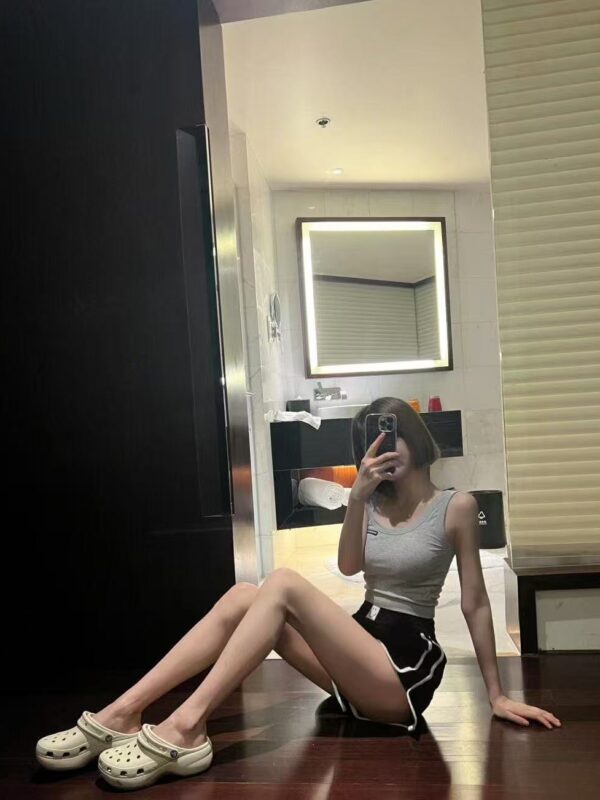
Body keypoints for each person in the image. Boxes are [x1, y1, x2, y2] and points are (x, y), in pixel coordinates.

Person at [36, 397, 561, 790]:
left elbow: (475, 601)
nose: (387, 449)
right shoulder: (372, 503)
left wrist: (495, 695)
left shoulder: (456, 506)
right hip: (361, 648)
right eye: (375, 442)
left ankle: (187, 725)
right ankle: (122, 713)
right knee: (245, 594)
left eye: (394, 435)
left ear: (417, 439)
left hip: (402, 669)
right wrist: (357, 498)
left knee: (283, 581)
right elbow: (350, 566)